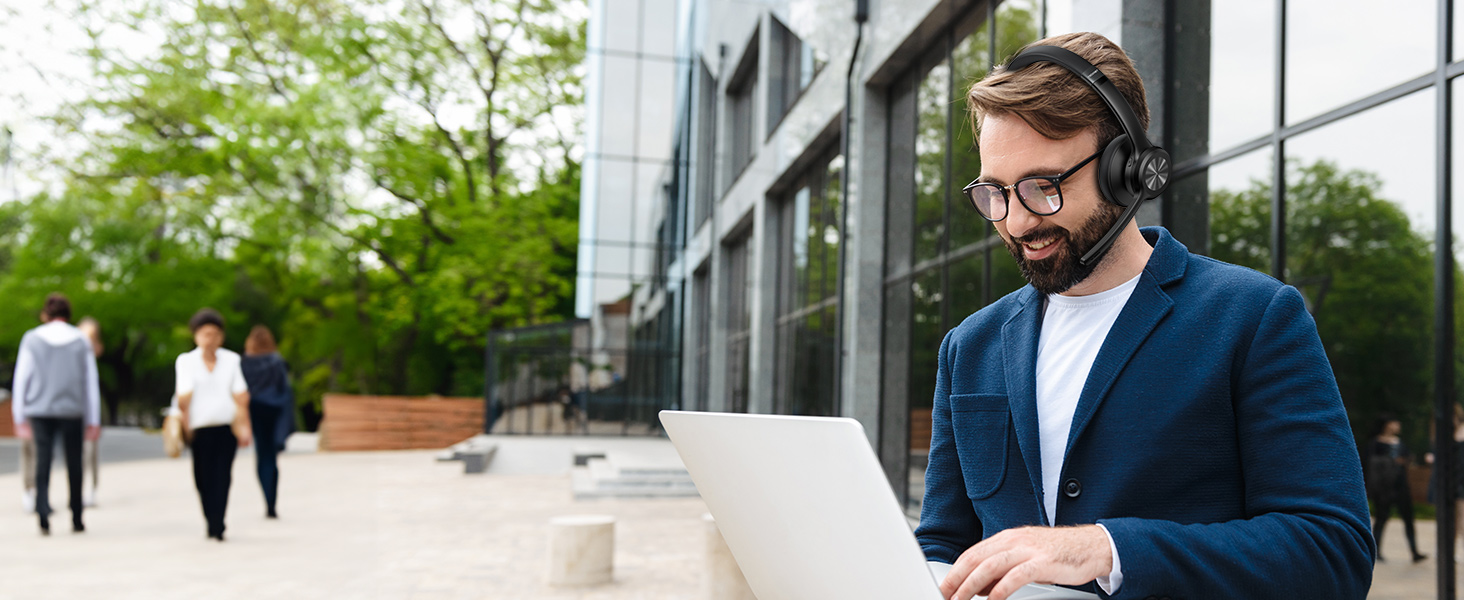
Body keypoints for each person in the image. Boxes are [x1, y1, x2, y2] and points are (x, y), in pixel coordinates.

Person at [915, 33, 1373, 600]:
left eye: (1042, 186)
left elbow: (1333, 551)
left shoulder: (1254, 317)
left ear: (1126, 170)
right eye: (996, 193)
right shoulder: (969, 346)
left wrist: (1108, 549)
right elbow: (941, 545)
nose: (1015, 222)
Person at [11, 293, 101, 535]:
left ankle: (43, 513)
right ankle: (77, 515)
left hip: (39, 409)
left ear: (46, 314)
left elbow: (22, 378)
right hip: (72, 409)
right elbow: (90, 381)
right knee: (74, 461)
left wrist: (18, 414)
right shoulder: (80, 340)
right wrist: (94, 418)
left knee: (43, 460)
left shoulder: (32, 338)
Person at [176, 308, 251, 541]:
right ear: (196, 336)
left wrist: (245, 425)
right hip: (199, 429)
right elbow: (182, 397)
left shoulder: (231, 360)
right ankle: (210, 518)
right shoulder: (186, 361)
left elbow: (241, 394)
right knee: (203, 477)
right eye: (205, 334)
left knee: (223, 476)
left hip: (226, 426)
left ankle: (218, 523)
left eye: (215, 334)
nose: (210, 339)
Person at [240, 325, 292, 519]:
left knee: (262, 456)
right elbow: (284, 389)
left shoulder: (245, 363)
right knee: (272, 458)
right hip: (274, 412)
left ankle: (267, 500)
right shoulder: (276, 361)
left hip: (255, 411)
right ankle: (272, 502)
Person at [1369, 415, 1426, 563]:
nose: (1398, 425)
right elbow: (1371, 465)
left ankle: (1414, 551)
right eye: (1395, 422)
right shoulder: (1375, 443)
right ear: (1387, 424)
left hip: (1401, 486)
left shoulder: (1400, 443)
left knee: (1408, 519)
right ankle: (1375, 551)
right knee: (1381, 519)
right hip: (1383, 488)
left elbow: (1407, 459)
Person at [76, 317, 103, 507]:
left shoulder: (90, 357)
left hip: (88, 411)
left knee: (90, 450)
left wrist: (95, 418)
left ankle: (90, 488)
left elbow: (92, 390)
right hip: (71, 408)